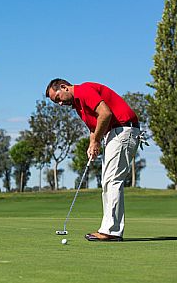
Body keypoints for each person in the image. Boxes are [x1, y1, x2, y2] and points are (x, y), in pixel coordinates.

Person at [46, 78, 141, 241]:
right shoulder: (78, 105)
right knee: (108, 181)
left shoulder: (84, 90)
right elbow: (95, 126)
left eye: (58, 99)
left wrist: (97, 140)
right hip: (115, 133)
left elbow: (105, 113)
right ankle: (111, 229)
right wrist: (92, 142)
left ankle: (111, 231)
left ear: (64, 87)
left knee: (112, 181)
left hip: (122, 130)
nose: (60, 104)